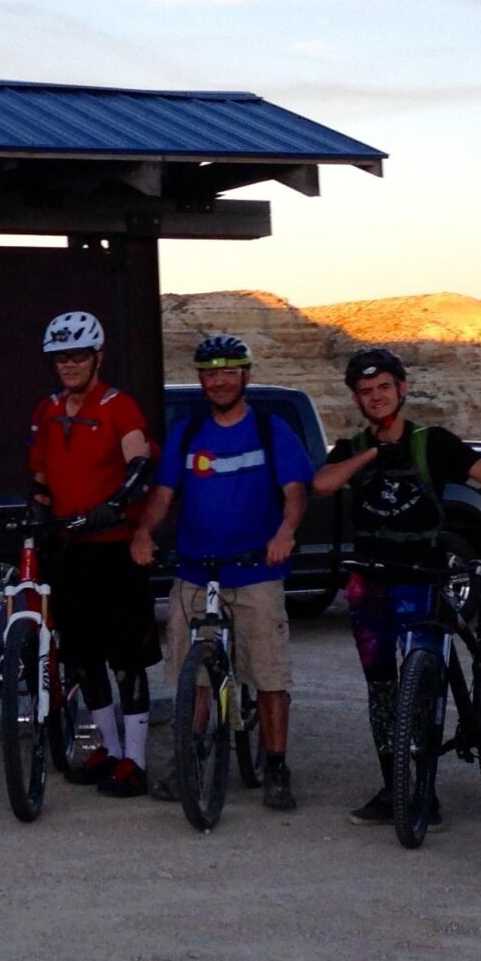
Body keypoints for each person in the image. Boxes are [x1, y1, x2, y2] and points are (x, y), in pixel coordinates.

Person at [312, 347, 481, 827]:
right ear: (357, 399)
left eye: (384, 389)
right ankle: (395, 787)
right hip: (368, 582)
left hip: (422, 579)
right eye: (366, 392)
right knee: (381, 689)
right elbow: (324, 485)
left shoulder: (433, 442)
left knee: (423, 683)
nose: (376, 398)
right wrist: (375, 452)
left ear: (402, 389)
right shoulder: (352, 448)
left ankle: (425, 795)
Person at [129, 334, 311, 810]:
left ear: (245, 376)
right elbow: (163, 495)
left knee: (270, 674)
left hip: (255, 571)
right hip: (196, 570)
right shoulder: (188, 437)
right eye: (211, 372)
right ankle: (189, 761)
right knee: (195, 678)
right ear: (201, 379)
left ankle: (275, 766)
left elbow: (295, 492)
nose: (220, 380)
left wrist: (285, 532)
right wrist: (144, 533)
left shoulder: (272, 431)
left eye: (230, 371)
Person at [26, 310, 158, 798]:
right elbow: (40, 477)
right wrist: (36, 511)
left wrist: (117, 504)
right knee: (83, 659)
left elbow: (139, 462)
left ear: (97, 357)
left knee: (127, 658)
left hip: (115, 549)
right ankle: (108, 747)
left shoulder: (119, 406)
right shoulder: (47, 410)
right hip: (70, 550)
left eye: (78, 355)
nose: (69, 364)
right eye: (60, 357)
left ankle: (137, 761)